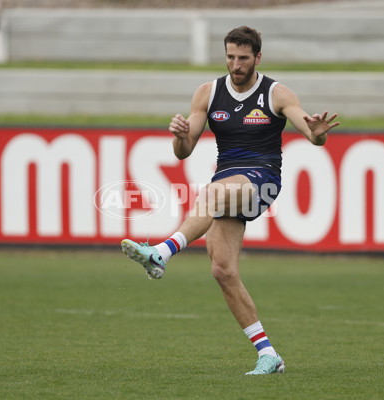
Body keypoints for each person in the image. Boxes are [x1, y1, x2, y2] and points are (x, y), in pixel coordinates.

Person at [121, 26, 340, 375]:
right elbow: (184, 150)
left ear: (257, 58)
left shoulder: (276, 93)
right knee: (222, 270)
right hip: (228, 185)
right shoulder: (208, 93)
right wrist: (179, 137)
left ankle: (160, 253)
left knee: (210, 193)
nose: (235, 65)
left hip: (262, 181)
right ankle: (269, 355)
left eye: (243, 58)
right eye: (230, 57)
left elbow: (310, 131)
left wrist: (316, 133)